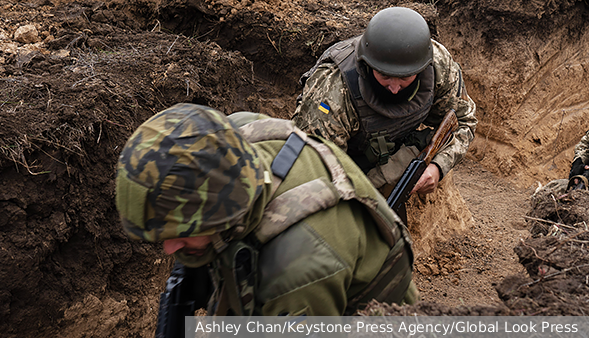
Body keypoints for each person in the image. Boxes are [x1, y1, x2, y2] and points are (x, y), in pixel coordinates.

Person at [115, 103, 418, 316]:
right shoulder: (232, 137)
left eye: (182, 233)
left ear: (225, 212)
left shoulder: (297, 272)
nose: (169, 248)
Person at [291, 7, 477, 197]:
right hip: (344, 166)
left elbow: (463, 121)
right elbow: (313, 173)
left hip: (393, 149)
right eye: (385, 76)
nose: (395, 88)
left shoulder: (437, 64)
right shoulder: (333, 91)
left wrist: (438, 166)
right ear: (367, 64)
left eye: (405, 77)